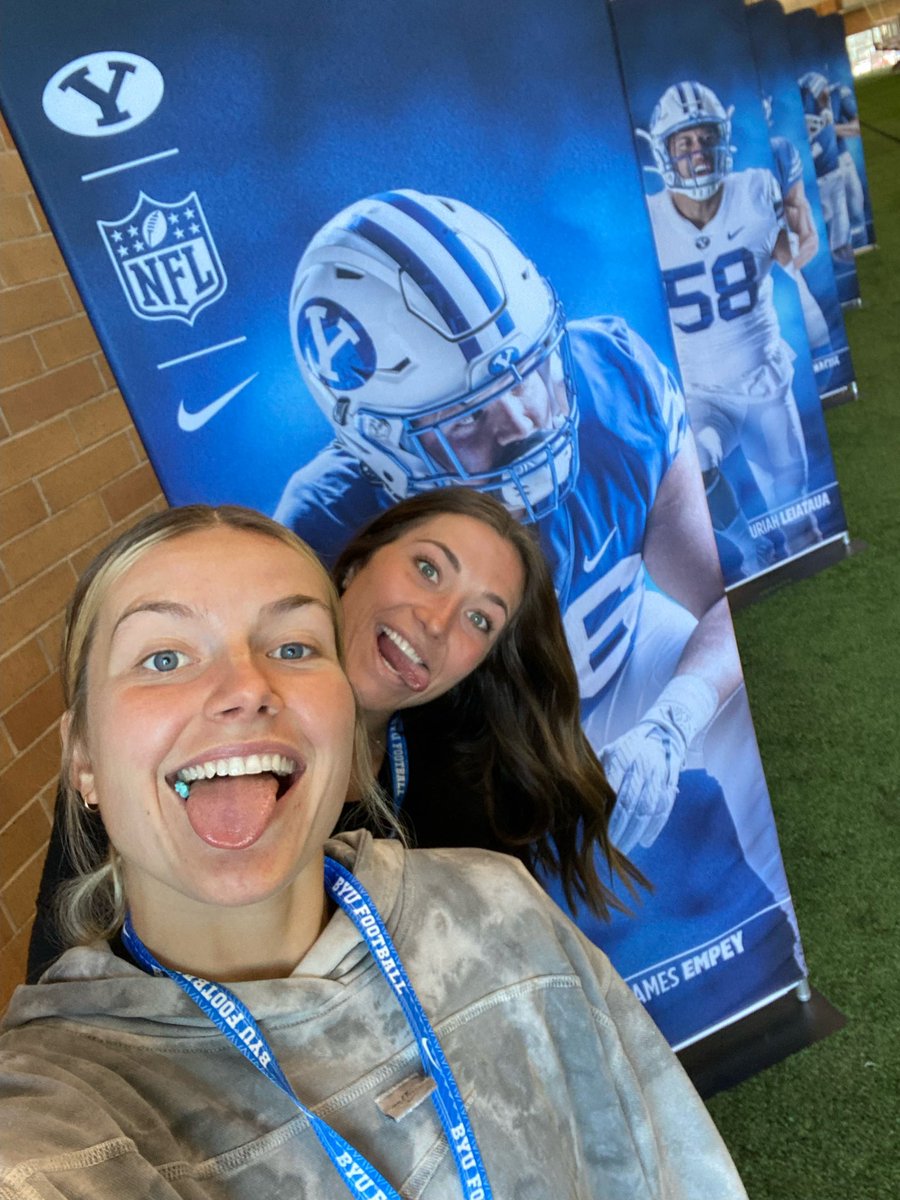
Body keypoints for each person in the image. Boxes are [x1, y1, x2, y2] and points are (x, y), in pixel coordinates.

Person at [1, 503, 748, 1198]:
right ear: (83, 761)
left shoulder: (481, 866)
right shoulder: (67, 1106)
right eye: (164, 658)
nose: (244, 688)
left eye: (292, 648)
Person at [273, 188, 756, 874]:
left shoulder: (611, 375)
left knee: (742, 705)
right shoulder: (328, 522)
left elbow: (726, 601)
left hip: (624, 655)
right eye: (470, 419)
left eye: (532, 370)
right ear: (379, 445)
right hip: (482, 744)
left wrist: (674, 719)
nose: (529, 420)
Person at [29, 488, 643, 981]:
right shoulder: (143, 763)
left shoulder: (459, 799)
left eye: (480, 619)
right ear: (354, 565)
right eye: (427, 569)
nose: (435, 621)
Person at [644, 80, 821, 577]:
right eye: (684, 144)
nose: (697, 154)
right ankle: (748, 544)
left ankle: (792, 542)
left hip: (764, 377)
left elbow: (794, 255)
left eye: (704, 139)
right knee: (696, 458)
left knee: (798, 513)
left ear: (722, 139)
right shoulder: (649, 219)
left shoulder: (754, 190)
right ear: (664, 153)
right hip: (705, 393)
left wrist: (800, 230)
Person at [798, 71, 854, 265]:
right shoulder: (805, 116)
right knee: (824, 213)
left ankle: (839, 246)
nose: (826, 95)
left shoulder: (822, 110)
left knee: (839, 209)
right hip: (819, 174)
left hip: (832, 169)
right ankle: (824, 253)